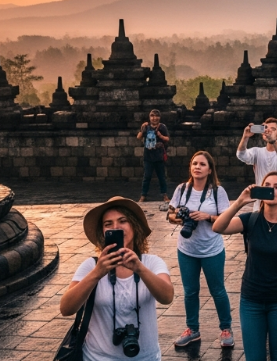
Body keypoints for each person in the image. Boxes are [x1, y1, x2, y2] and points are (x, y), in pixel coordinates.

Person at [212, 171, 277, 361]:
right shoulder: (250, 220)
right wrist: (240, 202)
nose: (271, 190)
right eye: (267, 186)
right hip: (252, 301)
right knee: (254, 357)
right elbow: (218, 227)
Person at [60, 197, 173, 360]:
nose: (116, 227)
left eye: (122, 221)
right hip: (97, 357)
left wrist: (139, 268)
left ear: (134, 226)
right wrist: (97, 273)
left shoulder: (152, 263)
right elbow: (66, 308)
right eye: (108, 224)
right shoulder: (91, 266)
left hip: (146, 357)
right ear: (103, 232)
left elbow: (167, 296)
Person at [166, 151, 234, 348]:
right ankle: (192, 329)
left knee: (218, 291)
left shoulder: (218, 192)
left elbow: (225, 218)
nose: (197, 167)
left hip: (211, 248)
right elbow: (170, 214)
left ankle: (226, 328)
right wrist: (178, 217)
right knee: (190, 292)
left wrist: (207, 217)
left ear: (209, 169)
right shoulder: (182, 189)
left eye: (202, 164)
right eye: (194, 163)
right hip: (187, 249)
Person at [236, 118, 277, 211]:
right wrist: (245, 137)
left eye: (273, 129)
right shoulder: (257, 151)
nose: (269, 131)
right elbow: (241, 155)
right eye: (266, 128)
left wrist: (273, 141)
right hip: (260, 205)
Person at [137, 109, 170, 202]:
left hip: (159, 156)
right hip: (148, 156)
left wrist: (160, 136)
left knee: (161, 177)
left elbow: (167, 139)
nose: (154, 118)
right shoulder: (146, 127)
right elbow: (138, 137)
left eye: (156, 116)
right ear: (149, 117)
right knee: (147, 177)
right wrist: (142, 129)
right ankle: (143, 195)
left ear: (159, 117)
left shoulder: (162, 127)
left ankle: (165, 195)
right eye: (152, 116)